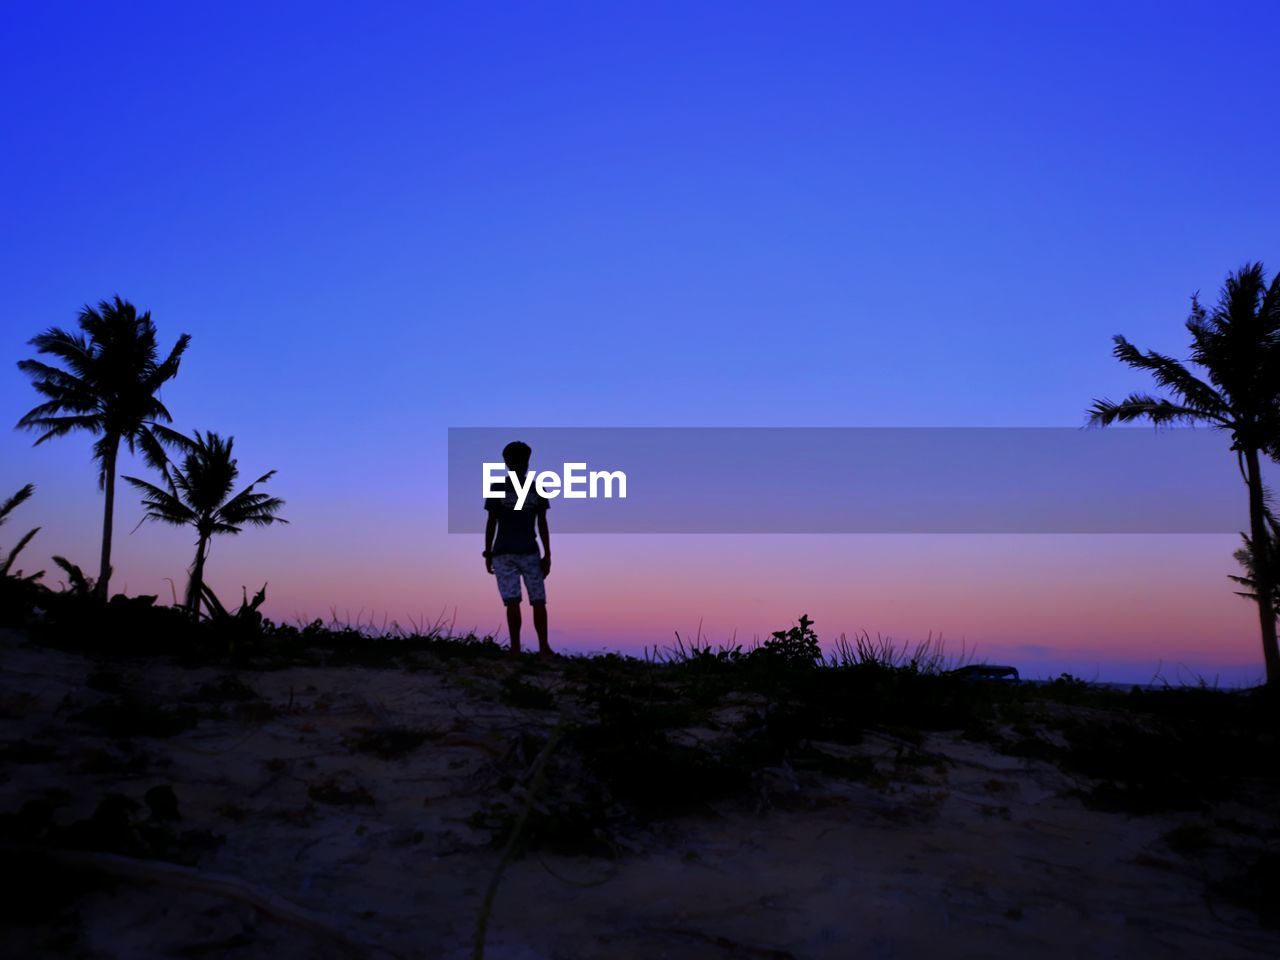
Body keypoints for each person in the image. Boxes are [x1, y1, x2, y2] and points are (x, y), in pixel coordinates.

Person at [483, 440, 552, 655]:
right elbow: (541, 523)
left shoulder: (500, 488)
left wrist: (488, 552)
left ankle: (518, 649)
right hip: (523, 551)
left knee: (516, 600)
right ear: (527, 462)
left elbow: (492, 522)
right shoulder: (535, 488)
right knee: (536, 600)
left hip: (508, 551)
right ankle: (540, 648)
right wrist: (548, 554)